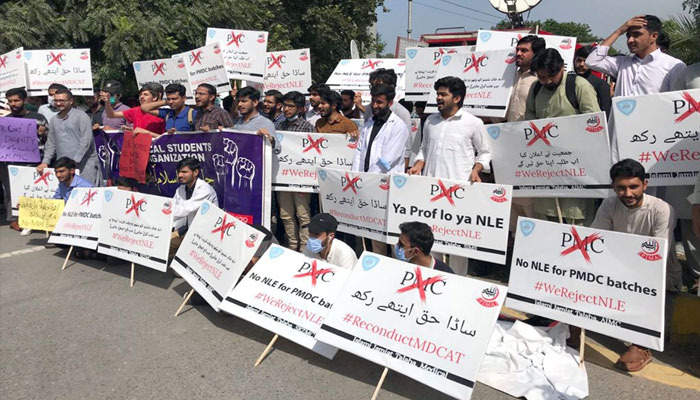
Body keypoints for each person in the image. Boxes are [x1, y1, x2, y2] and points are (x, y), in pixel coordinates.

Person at [591, 159, 683, 371]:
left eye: (633, 186)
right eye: (621, 188)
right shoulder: (609, 204)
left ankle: (641, 347)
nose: (628, 193)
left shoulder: (661, 210)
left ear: (645, 184)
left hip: (657, 274)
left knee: (649, 287)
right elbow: (597, 238)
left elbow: (658, 254)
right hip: (620, 269)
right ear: (613, 187)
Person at [408, 77, 490, 276]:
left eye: (443, 94)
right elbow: (424, 149)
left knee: (458, 245)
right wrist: (418, 164)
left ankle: (457, 283)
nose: (438, 98)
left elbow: (485, 152)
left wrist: (476, 169)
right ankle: (431, 279)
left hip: (459, 194)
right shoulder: (430, 121)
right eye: (438, 94)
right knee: (430, 240)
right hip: (431, 191)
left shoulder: (473, 122)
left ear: (457, 98)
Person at [522, 49, 601, 226]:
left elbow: (594, 122)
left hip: (575, 166)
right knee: (545, 214)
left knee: (575, 215)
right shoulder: (535, 89)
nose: (546, 81)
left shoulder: (579, 85)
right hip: (545, 164)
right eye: (541, 77)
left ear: (561, 68)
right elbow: (530, 121)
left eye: (550, 76)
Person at [585, 15, 686, 96]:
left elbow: (676, 102)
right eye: (628, 36)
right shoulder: (621, 63)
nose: (630, 40)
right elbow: (592, 61)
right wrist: (619, 31)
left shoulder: (673, 66)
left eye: (636, 35)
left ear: (654, 36)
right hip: (622, 121)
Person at [2, 88, 49, 233]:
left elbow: (49, 140)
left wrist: (42, 134)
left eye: (16, 100)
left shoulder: (38, 117)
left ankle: (34, 218)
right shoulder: (5, 121)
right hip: (10, 163)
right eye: (10, 101)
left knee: (34, 191)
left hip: (34, 161)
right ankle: (15, 219)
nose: (13, 104)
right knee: (11, 191)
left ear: (24, 100)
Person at [276, 91, 315, 251]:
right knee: (285, 214)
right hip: (283, 178)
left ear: (300, 108)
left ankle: (305, 247)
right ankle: (292, 245)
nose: (286, 109)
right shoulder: (279, 125)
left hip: (301, 180)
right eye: (285, 105)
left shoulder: (308, 128)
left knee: (303, 215)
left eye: (291, 106)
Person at [38, 88, 101, 185]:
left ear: (71, 101)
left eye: (62, 101)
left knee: (86, 196)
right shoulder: (54, 120)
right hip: (64, 168)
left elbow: (86, 141)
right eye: (56, 101)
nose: (58, 103)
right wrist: (45, 162)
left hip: (84, 166)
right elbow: (51, 143)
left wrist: (74, 162)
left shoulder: (82, 116)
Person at [170, 157, 219, 257]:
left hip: (203, 238)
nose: (180, 175)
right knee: (160, 244)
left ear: (195, 172)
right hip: (183, 232)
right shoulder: (180, 189)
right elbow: (174, 208)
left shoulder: (205, 190)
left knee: (179, 271)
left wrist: (162, 213)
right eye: (179, 172)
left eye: (184, 172)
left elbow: (185, 209)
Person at [503, 36, 545, 122]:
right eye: (517, 50)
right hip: (506, 131)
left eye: (524, 51)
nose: (518, 54)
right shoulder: (510, 77)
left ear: (536, 54)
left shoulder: (541, 80)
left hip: (530, 132)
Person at [574, 46, 612, 116]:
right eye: (579, 60)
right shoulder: (568, 81)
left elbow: (606, 114)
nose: (582, 64)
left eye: (585, 61)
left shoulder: (601, 85)